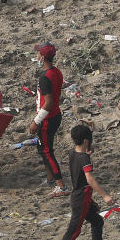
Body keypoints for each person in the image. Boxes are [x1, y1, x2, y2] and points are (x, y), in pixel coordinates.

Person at [54, 124, 115, 240]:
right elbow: (89, 179)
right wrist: (105, 196)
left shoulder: (72, 153)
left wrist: (87, 155)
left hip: (82, 197)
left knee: (97, 221)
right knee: (74, 229)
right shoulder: (84, 159)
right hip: (81, 198)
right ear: (87, 141)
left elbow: (80, 163)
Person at [28, 43, 68, 197]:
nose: (36, 56)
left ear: (42, 57)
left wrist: (36, 121)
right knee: (43, 149)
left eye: (38, 54)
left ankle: (61, 186)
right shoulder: (56, 72)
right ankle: (50, 178)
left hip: (47, 119)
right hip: (55, 116)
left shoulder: (45, 77)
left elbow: (48, 102)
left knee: (46, 151)